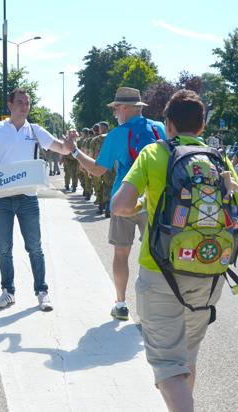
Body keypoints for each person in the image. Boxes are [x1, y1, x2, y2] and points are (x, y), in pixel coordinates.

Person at [112, 89, 230, 411]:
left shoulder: (153, 153)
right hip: (209, 273)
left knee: (168, 369)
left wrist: (141, 204)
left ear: (168, 124)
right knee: (186, 361)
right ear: (202, 126)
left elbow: (119, 205)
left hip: (160, 271)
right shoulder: (220, 159)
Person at [63, 87, 166, 321]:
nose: (115, 113)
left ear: (128, 108)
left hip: (125, 199)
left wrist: (75, 151)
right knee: (157, 254)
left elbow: (98, 170)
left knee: (121, 253)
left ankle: (121, 304)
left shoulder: (118, 134)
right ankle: (156, 308)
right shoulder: (159, 128)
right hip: (157, 201)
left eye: (117, 107)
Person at [0, 88, 71, 311]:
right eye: (19, 102)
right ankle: (8, 292)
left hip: (28, 198)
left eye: (27, 103)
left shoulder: (36, 130)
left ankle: (42, 291)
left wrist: (70, 142)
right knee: (4, 248)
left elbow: (62, 149)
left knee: (35, 247)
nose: (24, 106)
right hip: (1, 198)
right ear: (9, 105)